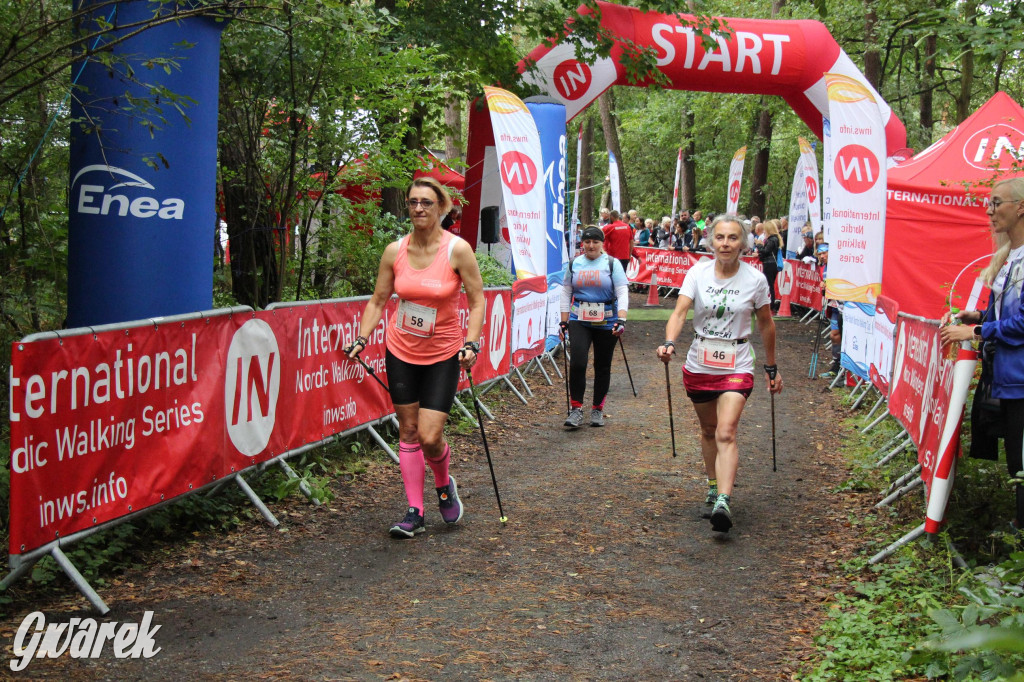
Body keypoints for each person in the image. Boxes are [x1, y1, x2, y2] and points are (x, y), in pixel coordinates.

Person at [345, 176, 484, 539]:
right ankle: (414, 511)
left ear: (441, 207)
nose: (419, 208)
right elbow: (378, 300)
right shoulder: (395, 251)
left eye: (426, 202)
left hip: (443, 353)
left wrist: (472, 343)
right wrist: (362, 338)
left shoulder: (457, 250)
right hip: (401, 349)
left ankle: (443, 485)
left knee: (430, 435)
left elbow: (477, 300)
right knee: (407, 430)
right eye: (413, 202)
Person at [657, 215, 781, 533]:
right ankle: (713, 486)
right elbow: (680, 311)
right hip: (700, 360)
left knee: (727, 432)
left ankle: (723, 501)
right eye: (721, 237)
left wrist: (771, 366)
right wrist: (670, 342)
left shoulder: (755, 280)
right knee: (709, 430)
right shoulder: (697, 273)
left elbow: (766, 324)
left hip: (737, 361)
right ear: (712, 241)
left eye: (733, 238)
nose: (726, 244)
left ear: (744, 243)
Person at [940, 177, 1024, 532]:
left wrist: (974, 332)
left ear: (1020, 207)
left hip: (1020, 381)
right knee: (1016, 465)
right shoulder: (1008, 259)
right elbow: (1007, 315)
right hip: (1007, 379)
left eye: (996, 202)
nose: (989, 211)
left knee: (1021, 465)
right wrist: (977, 317)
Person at [559, 226, 629, 428]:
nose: (591, 246)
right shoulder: (574, 264)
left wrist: (622, 319)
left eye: (595, 242)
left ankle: (597, 409)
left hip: (607, 319)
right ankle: (576, 410)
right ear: (583, 243)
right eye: (587, 242)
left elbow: (622, 292)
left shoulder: (612, 263)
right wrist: (564, 321)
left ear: (602, 244)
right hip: (579, 318)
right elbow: (566, 292)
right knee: (578, 363)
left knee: (602, 365)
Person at [757, 219, 782, 312]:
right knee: (769, 284)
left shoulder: (772, 239)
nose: (763, 232)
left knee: (769, 284)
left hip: (770, 264)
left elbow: (765, 251)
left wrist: (759, 245)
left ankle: (771, 303)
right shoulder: (775, 239)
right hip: (770, 263)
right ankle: (770, 302)